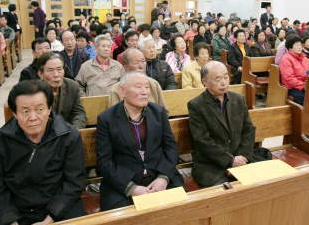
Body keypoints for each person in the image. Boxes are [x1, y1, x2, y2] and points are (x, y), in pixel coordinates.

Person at [0, 80, 86, 225]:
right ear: (15, 113)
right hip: (13, 208)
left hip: (57, 206)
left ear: (49, 109)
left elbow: (73, 182)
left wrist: (49, 220)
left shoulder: (69, 136)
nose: (33, 118)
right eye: (25, 111)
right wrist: (11, 220)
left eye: (39, 110)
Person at [96, 70, 184, 211]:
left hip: (159, 174)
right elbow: (104, 162)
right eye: (138, 87)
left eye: (147, 87)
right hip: (122, 183)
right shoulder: (106, 119)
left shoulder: (158, 112)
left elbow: (171, 148)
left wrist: (163, 178)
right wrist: (131, 188)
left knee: (178, 212)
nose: (145, 92)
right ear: (122, 91)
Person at [188, 61, 256, 188]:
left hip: (240, 158)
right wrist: (230, 161)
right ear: (205, 82)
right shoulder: (196, 105)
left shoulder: (238, 99)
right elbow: (202, 140)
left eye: (226, 77)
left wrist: (240, 158)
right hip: (211, 164)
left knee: (260, 187)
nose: (224, 82)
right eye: (217, 79)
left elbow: (249, 130)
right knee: (223, 196)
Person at [108, 49, 169, 113]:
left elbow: (164, 112)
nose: (141, 66)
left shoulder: (154, 84)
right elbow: (114, 117)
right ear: (126, 67)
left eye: (143, 61)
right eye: (136, 63)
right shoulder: (117, 89)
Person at [36, 52, 87, 128]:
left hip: (68, 131)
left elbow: (79, 113)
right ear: (40, 74)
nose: (56, 75)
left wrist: (74, 130)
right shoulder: (34, 92)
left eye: (59, 69)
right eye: (50, 70)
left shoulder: (72, 86)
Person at [279, 36, 309, 105]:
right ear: (290, 47)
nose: (300, 47)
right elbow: (289, 78)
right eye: (296, 45)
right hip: (291, 87)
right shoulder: (286, 59)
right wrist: (303, 86)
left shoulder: (304, 58)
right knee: (308, 98)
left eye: (300, 45)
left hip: (305, 84)